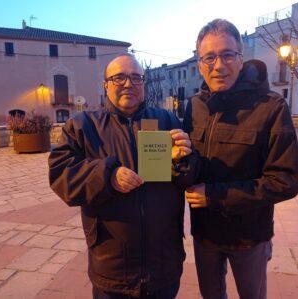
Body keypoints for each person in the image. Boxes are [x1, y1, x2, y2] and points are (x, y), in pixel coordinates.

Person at [49, 54, 196, 298]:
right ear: (105, 84)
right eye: (119, 78)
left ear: (143, 83)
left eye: (136, 78)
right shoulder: (83, 126)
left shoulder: (166, 120)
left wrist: (184, 159)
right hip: (112, 266)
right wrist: (107, 176)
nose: (128, 84)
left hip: (164, 263)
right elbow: (61, 176)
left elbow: (188, 176)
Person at [183, 19, 298, 299]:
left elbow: (287, 180)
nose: (219, 65)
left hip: (249, 237)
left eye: (227, 55)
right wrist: (179, 163)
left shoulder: (271, 107)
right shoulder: (195, 106)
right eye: (209, 57)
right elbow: (192, 168)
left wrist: (216, 195)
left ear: (240, 58)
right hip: (205, 236)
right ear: (200, 64)